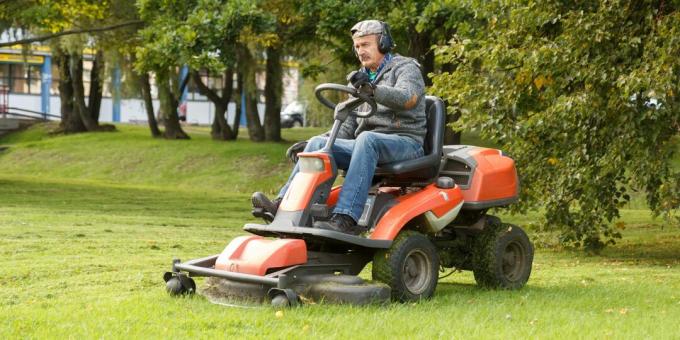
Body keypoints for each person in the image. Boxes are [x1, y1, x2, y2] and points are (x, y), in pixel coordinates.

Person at [252, 19, 427, 235]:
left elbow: (408, 98)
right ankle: (282, 206)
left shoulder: (405, 67)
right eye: (357, 47)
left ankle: (345, 217)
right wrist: (311, 146)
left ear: (383, 43)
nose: (360, 51)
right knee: (318, 143)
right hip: (369, 145)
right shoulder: (360, 78)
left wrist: (372, 89)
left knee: (366, 139)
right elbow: (349, 122)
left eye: (365, 45)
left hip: (406, 142)